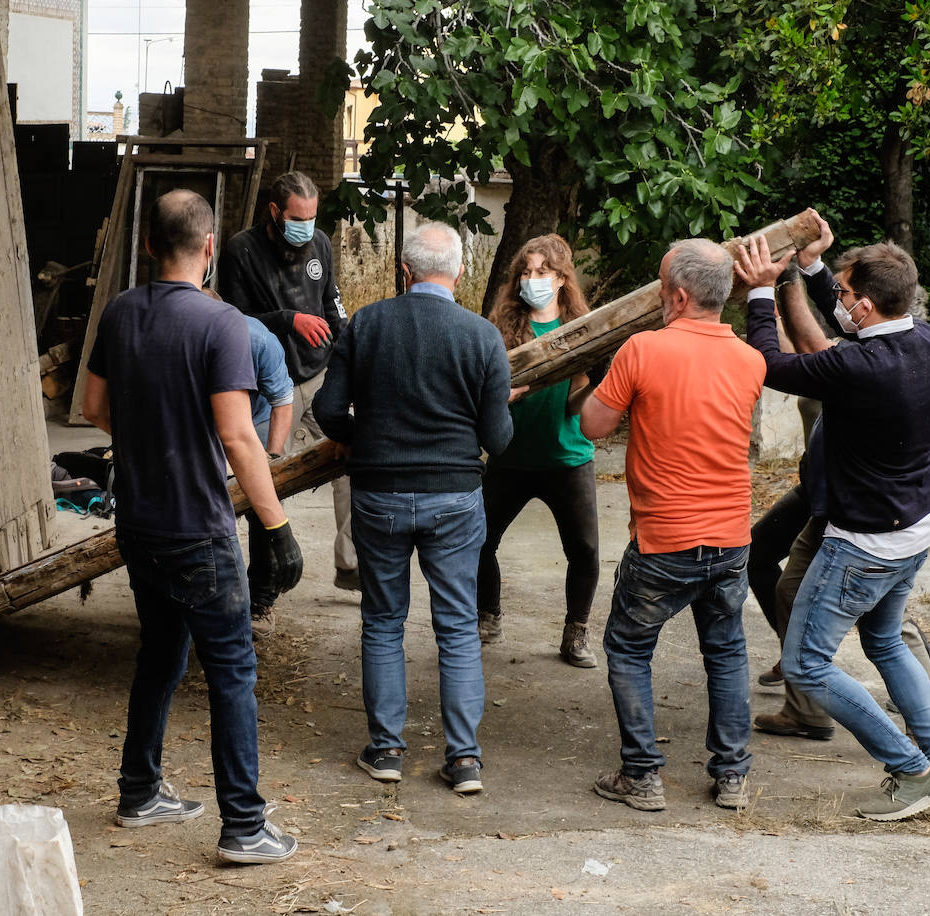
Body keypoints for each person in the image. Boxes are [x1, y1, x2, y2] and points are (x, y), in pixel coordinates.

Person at [81, 189, 302, 864]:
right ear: (209, 249)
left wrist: (152, 437)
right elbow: (240, 438)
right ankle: (243, 825)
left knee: (161, 655)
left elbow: (92, 405)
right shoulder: (220, 323)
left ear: (149, 245)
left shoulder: (120, 312)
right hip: (198, 530)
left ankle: (139, 791)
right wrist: (276, 524)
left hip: (139, 525)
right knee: (232, 670)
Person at [736, 213, 930, 820]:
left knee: (808, 665)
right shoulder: (924, 342)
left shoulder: (859, 369)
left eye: (844, 295)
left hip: (861, 544)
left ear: (865, 306)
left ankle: (911, 770)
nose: (838, 302)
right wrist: (812, 268)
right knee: (886, 642)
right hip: (912, 529)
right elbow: (845, 323)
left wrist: (763, 290)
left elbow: (770, 362)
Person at [313, 222, 514, 795]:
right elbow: (498, 439)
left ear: (404, 271)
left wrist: (361, 435)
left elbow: (328, 410)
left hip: (378, 495)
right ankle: (465, 761)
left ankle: (386, 751)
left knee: (381, 623)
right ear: (455, 272)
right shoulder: (481, 337)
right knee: (456, 629)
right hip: (454, 498)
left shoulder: (366, 325)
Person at [579, 238, 766, 812]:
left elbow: (592, 426)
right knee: (727, 651)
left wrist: (598, 373)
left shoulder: (641, 350)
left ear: (678, 296)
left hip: (665, 538)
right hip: (732, 534)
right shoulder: (750, 358)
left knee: (629, 649)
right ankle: (731, 775)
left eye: (662, 288)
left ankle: (642, 775)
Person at [219, 171, 357, 614]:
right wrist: (288, 319)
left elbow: (334, 307)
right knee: (267, 480)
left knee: (357, 463)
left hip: (320, 376)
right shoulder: (241, 249)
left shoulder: (320, 244)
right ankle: (262, 594)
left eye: (313, 217)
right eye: (298, 217)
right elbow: (236, 320)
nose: (306, 226)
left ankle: (354, 568)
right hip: (269, 385)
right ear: (275, 212)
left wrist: (353, 362)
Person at [476, 233, 602, 668]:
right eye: (526, 273)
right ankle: (487, 616)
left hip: (567, 458)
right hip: (510, 456)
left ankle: (576, 632)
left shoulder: (582, 332)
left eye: (542, 273)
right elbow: (484, 395)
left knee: (584, 551)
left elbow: (575, 404)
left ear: (562, 279)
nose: (532, 280)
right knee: (480, 540)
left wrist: (595, 385)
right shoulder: (501, 330)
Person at [243, 315, 295, 637]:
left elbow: (282, 401)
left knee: (262, 505)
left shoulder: (259, 341)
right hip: (201, 416)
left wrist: (271, 462)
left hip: (257, 416)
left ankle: (261, 600)